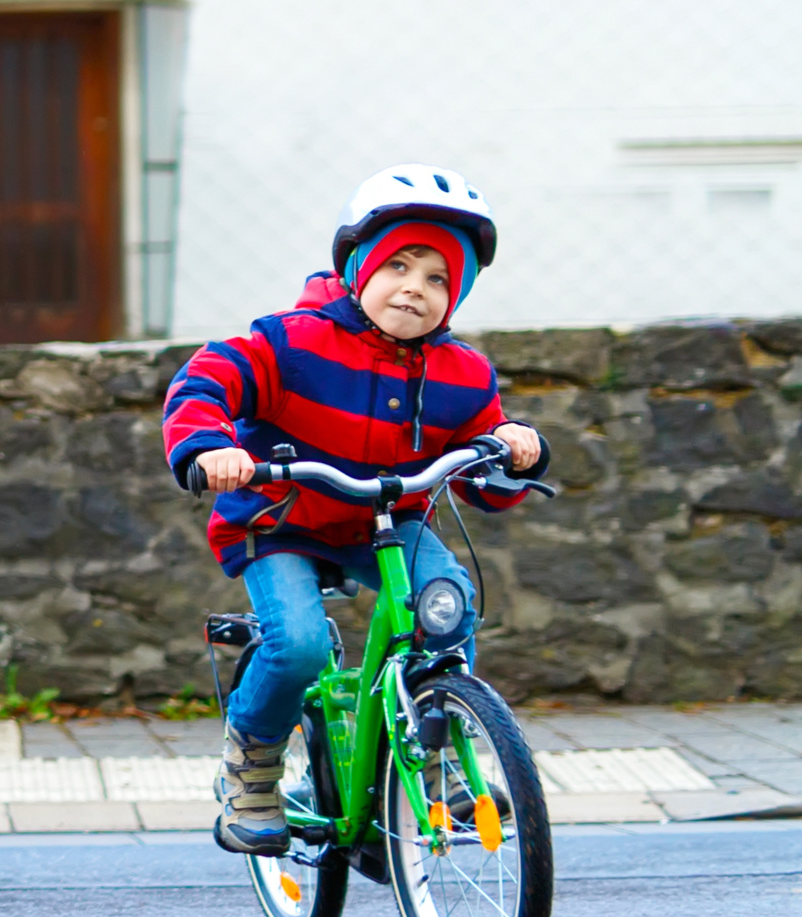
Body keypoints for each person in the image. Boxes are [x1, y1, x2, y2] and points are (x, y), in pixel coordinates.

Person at [160, 164, 549, 856]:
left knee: (446, 607)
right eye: (399, 264)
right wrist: (208, 445)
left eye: (438, 278)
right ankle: (251, 766)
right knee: (302, 644)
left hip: (385, 523)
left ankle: (436, 763)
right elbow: (206, 380)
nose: (416, 288)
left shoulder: (463, 372)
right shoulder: (291, 340)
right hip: (281, 520)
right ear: (358, 270)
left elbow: (481, 481)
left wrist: (513, 450)